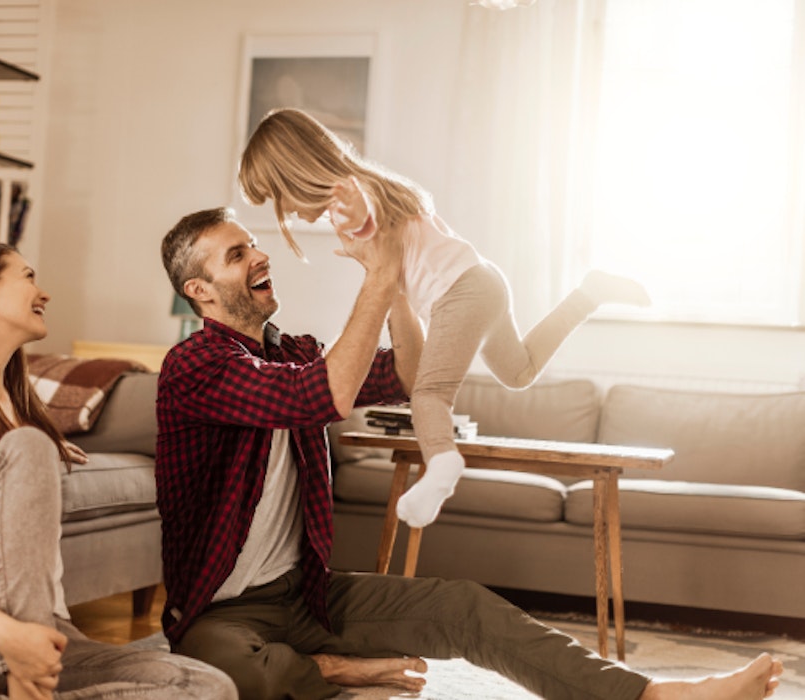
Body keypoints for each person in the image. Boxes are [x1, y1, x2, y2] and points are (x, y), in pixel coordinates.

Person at [156, 206, 783, 700]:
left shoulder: (292, 351)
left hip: (304, 595)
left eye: (252, 244)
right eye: (238, 254)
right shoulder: (192, 366)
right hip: (222, 613)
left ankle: (654, 695)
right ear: (200, 290)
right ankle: (336, 668)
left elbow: (408, 372)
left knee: (466, 607)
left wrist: (396, 283)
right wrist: (377, 276)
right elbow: (320, 395)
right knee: (227, 674)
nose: (260, 255)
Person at [238, 107, 653, 529]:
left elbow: (364, 216)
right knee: (520, 371)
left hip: (460, 292)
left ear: (296, 173)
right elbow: (391, 267)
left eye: (278, 195)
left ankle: (442, 464)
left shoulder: (348, 196)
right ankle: (588, 295)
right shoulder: (368, 185)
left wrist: (352, 214)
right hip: (482, 281)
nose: (284, 210)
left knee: (430, 395)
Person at [0, 242, 236, 700]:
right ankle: (20, 678)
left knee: (208, 686)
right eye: (28, 276)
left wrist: (40, 454)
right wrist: (12, 638)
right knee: (28, 444)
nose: (43, 292)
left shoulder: (20, 411)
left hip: (43, 633)